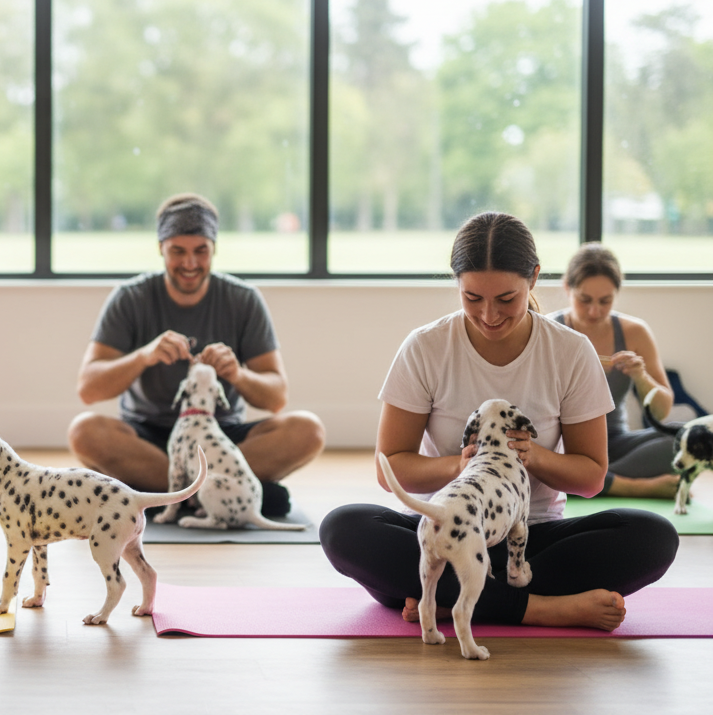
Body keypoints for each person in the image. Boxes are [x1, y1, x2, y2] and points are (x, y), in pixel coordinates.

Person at [320, 212, 678, 632]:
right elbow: (391, 467)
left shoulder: (570, 350)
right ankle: (542, 609)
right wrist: (459, 465)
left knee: (654, 535)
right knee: (344, 528)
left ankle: (448, 598)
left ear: (535, 279)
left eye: (506, 299)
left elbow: (591, 478)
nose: (489, 315)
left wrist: (533, 455)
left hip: (527, 543)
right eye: (472, 298)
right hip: (448, 530)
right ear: (456, 284)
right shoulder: (425, 347)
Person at [67, 193, 325, 515]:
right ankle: (222, 495)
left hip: (221, 438)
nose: (190, 264)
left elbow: (276, 398)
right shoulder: (130, 298)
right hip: (149, 438)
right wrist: (143, 356)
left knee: (308, 430)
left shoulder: (243, 299)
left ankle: (163, 495)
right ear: (161, 248)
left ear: (214, 249)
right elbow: (88, 389)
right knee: (84, 432)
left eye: (200, 251)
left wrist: (236, 374)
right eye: (178, 252)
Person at [550, 243, 679, 498]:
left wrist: (641, 377)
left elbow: (662, 412)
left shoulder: (635, 332)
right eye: (584, 300)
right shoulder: (550, 330)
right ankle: (630, 486)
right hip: (565, 447)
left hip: (615, 442)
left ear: (616, 295)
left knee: (681, 438)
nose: (594, 311)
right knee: (543, 460)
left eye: (605, 301)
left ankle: (589, 483)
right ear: (567, 288)